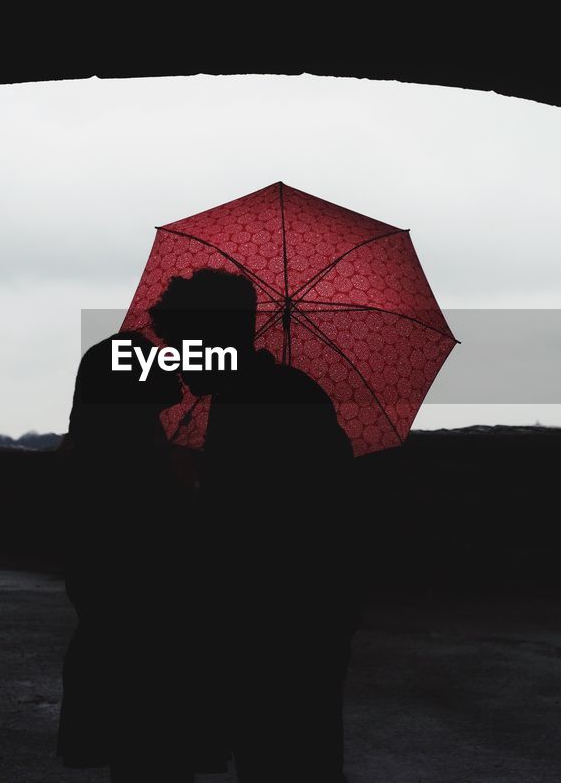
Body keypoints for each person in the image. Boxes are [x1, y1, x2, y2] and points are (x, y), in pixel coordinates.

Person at [149, 268, 358, 783]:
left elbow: (251, 528)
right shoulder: (273, 395)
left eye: (183, 347)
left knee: (280, 754)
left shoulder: (259, 404)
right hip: (303, 615)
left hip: (279, 620)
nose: (178, 363)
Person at [56, 332, 227, 782]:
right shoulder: (141, 470)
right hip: (155, 658)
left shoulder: (87, 462)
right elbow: (173, 565)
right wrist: (186, 491)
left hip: (113, 653)